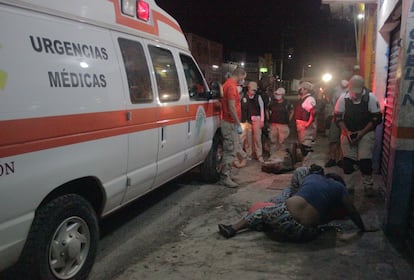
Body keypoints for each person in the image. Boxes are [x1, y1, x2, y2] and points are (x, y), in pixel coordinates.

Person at [218, 172, 375, 242]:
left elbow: (294, 194)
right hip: (303, 233)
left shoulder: (312, 177)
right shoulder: (339, 189)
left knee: (261, 212)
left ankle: (233, 228)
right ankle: (268, 226)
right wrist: (363, 228)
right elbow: (352, 211)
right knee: (326, 226)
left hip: (282, 217)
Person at [334, 75, 382, 196]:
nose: (355, 95)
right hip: (348, 132)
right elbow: (338, 118)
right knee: (348, 162)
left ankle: (368, 186)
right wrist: (347, 132)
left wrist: (361, 133)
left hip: (366, 132)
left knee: (365, 161)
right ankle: (349, 187)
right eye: (353, 92)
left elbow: (376, 119)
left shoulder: (370, 98)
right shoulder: (343, 98)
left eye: (358, 92)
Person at [219, 67, 247, 188]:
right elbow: (231, 107)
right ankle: (225, 177)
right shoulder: (231, 86)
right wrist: (237, 123)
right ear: (240, 75)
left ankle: (227, 174)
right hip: (229, 123)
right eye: (243, 78)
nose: (243, 80)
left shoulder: (228, 84)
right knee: (229, 151)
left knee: (232, 148)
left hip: (229, 122)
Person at [325, 80, 348, 167]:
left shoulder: (352, 90)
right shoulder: (335, 90)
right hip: (336, 117)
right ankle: (332, 158)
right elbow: (331, 101)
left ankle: (340, 160)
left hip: (347, 119)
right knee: (333, 140)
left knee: (343, 141)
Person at [240, 81, 265, 162]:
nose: (254, 92)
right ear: (249, 88)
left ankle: (259, 155)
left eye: (255, 90)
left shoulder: (258, 97)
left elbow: (262, 109)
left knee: (257, 138)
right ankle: (248, 154)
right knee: (248, 138)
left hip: (257, 119)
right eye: (253, 90)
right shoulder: (244, 97)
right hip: (247, 120)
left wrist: (262, 120)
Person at [268, 88, 294, 156]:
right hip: (273, 124)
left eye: (279, 94)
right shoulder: (273, 102)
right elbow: (268, 110)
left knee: (281, 141)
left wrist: (288, 120)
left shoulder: (287, 103)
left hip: (283, 124)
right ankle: (273, 155)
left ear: (282, 95)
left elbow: (292, 111)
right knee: (273, 141)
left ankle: (281, 155)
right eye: (276, 94)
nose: (277, 95)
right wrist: (269, 118)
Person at [295, 82, 316, 156]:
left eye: (301, 89)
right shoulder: (303, 99)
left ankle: (305, 164)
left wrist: (307, 124)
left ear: (306, 90)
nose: (300, 90)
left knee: (305, 146)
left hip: (305, 125)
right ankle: (303, 163)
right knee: (302, 144)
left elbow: (312, 113)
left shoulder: (309, 99)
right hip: (301, 124)